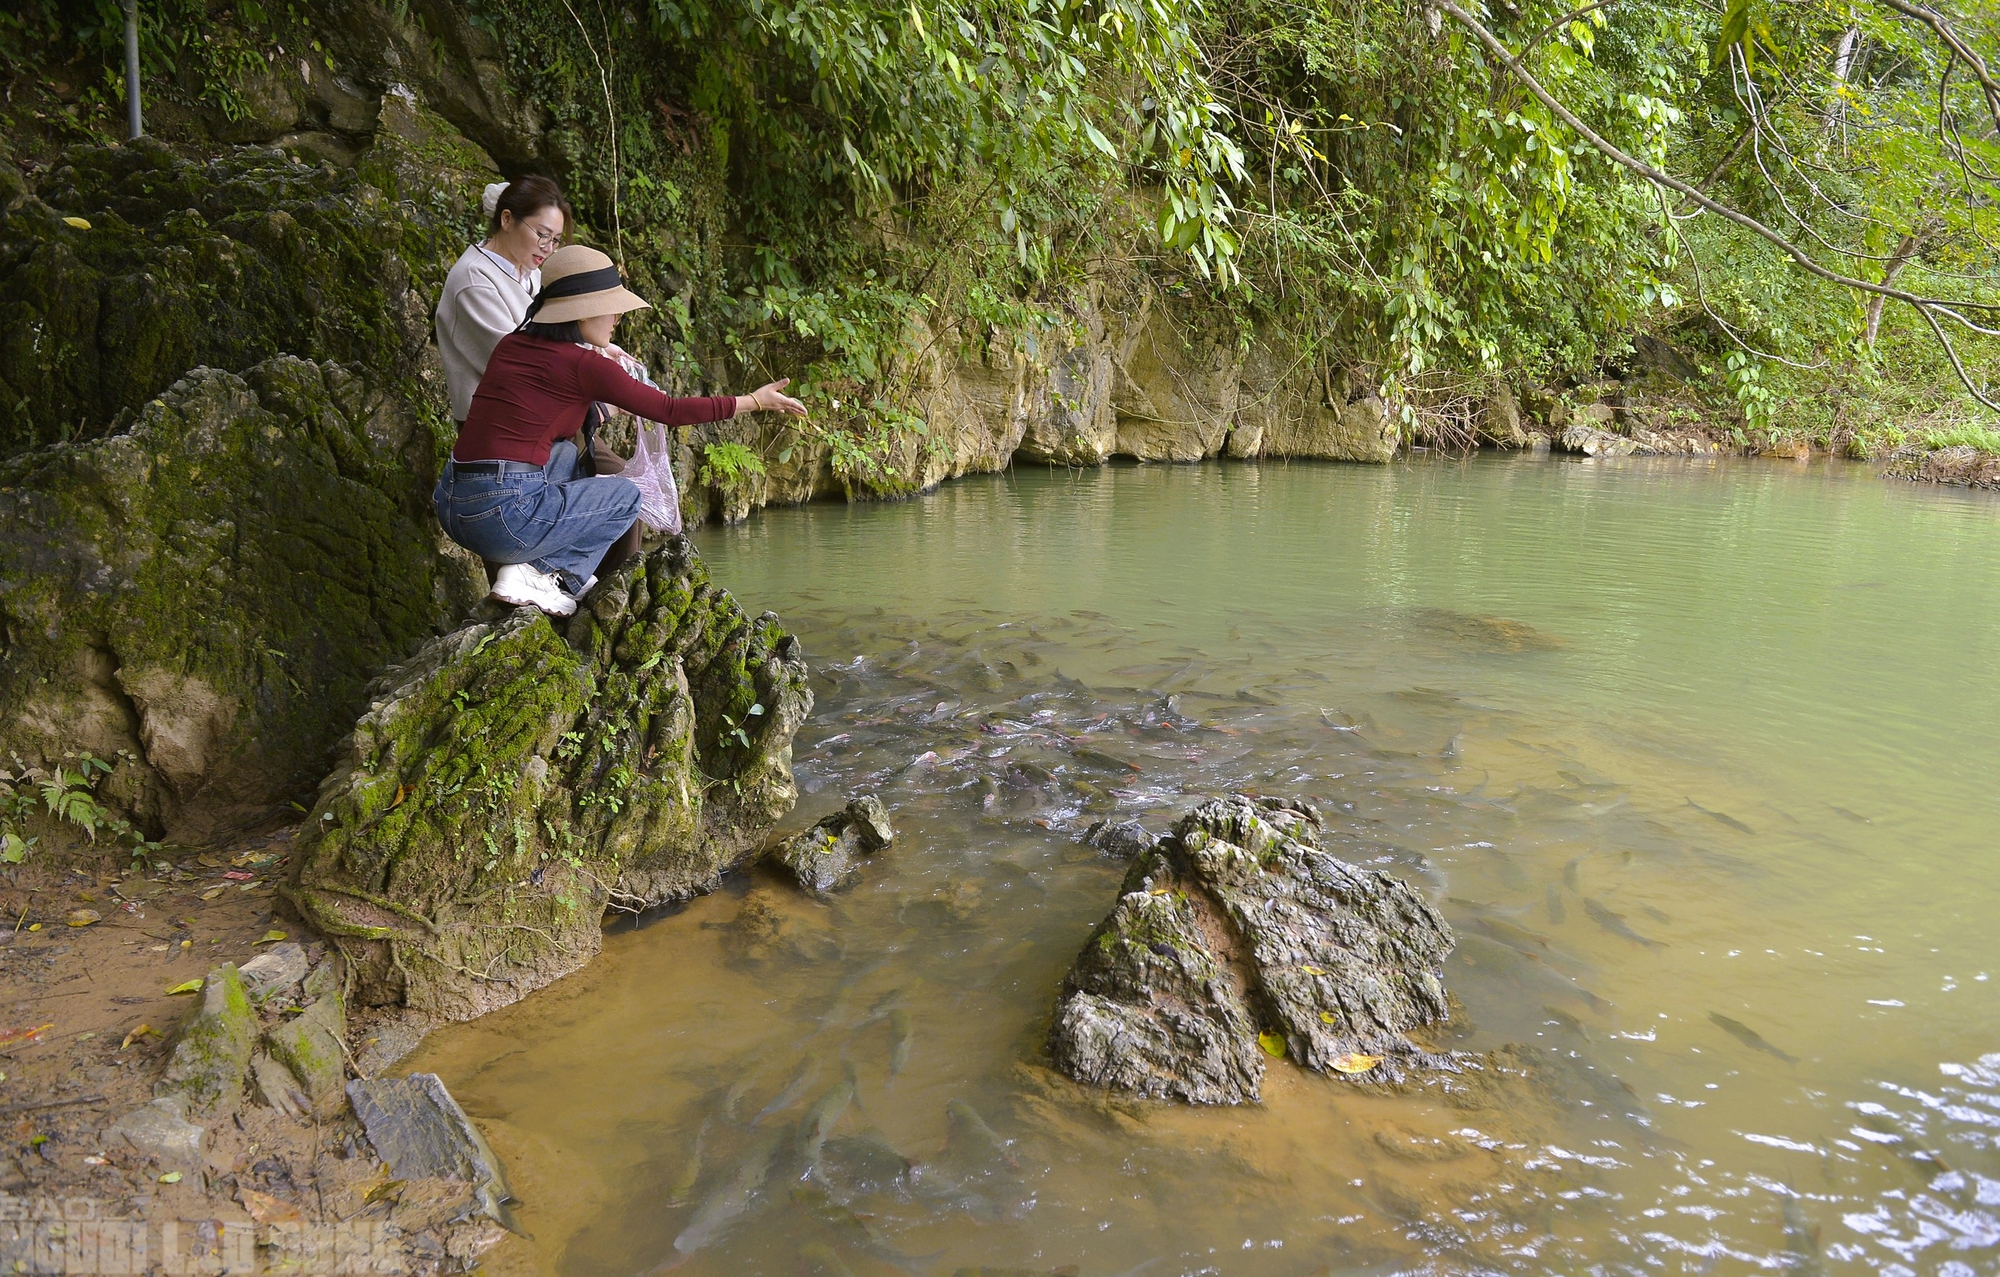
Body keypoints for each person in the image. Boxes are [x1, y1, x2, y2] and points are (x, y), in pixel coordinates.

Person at [435, 244, 807, 617]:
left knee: (567, 454)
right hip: (501, 519)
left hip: (453, 504)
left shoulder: (513, 344)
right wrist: (755, 401)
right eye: (611, 307)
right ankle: (545, 576)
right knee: (628, 494)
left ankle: (557, 572)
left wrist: (600, 365)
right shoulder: (584, 366)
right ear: (583, 309)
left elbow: (551, 414)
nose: (617, 318)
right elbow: (671, 411)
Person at [436, 177, 570, 424]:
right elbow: (520, 361)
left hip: (537, 416)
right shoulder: (473, 279)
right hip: (497, 429)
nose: (548, 248)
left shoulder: (530, 273)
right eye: (542, 234)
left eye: (555, 239)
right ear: (507, 219)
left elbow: (559, 329)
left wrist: (601, 348)